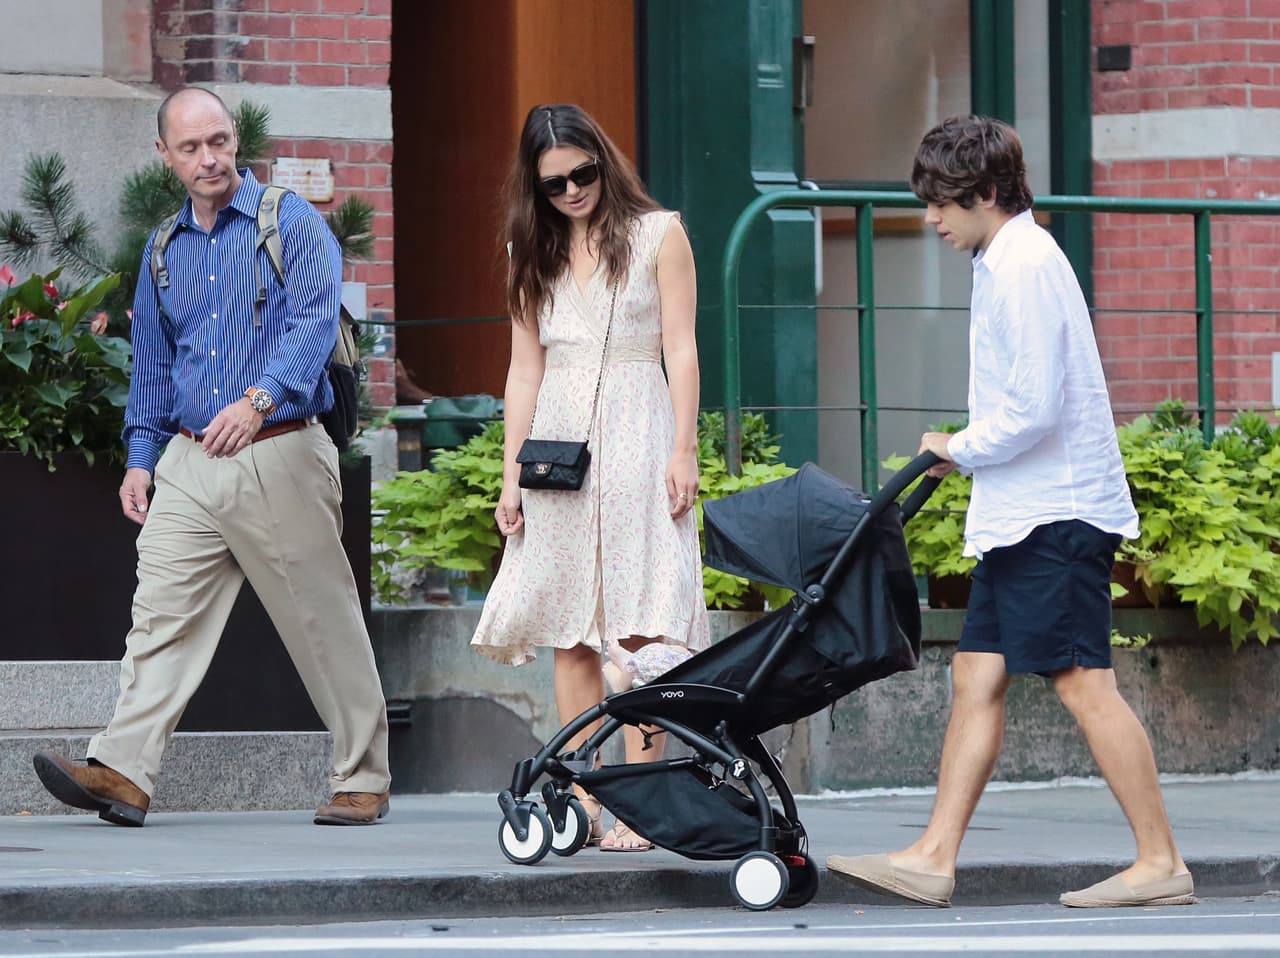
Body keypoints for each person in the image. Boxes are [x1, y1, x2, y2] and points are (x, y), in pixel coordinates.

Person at [826, 115, 1194, 908]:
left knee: (1085, 683)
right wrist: (966, 450)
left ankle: (1161, 860)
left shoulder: (1023, 264)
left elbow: (1034, 408)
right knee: (976, 673)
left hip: (1054, 515)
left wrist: (957, 445)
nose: (932, 217)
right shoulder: (1005, 260)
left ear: (988, 191)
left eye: (943, 201)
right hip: (1028, 513)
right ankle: (933, 856)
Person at [31, 87, 391, 828]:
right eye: (191, 147)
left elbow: (312, 324)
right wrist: (141, 456)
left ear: (236, 141)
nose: (209, 159)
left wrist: (258, 399)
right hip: (190, 462)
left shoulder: (290, 222)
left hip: (278, 447)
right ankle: (123, 770)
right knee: (159, 620)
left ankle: (363, 776)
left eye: (219, 141)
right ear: (164, 155)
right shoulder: (164, 249)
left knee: (321, 622)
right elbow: (154, 364)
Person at [470, 103, 710, 852]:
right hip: (559, 445)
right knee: (569, 630)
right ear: (534, 188)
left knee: (641, 625)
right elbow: (522, 371)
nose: (572, 191)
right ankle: (584, 795)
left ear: (604, 163)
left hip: (640, 429)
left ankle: (641, 799)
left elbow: (681, 347)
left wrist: (683, 448)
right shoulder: (529, 249)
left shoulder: (658, 234)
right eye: (554, 184)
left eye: (583, 174)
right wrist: (511, 476)